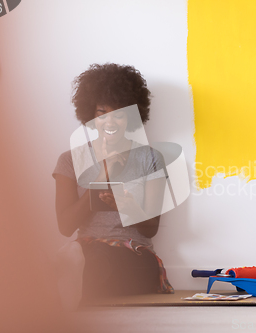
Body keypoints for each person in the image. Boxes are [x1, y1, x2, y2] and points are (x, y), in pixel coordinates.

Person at [53, 63, 173, 309]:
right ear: (91, 115)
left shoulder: (150, 158)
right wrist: (102, 177)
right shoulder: (69, 160)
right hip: (87, 250)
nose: (110, 121)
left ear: (130, 115)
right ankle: (78, 292)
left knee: (100, 263)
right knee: (93, 258)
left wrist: (126, 205)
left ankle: (71, 296)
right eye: (101, 112)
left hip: (135, 255)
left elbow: (151, 230)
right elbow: (65, 226)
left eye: (119, 113)